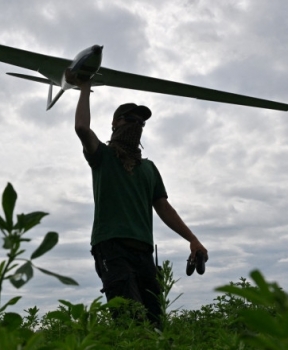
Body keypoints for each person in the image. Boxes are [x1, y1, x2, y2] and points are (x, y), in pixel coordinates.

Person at [69, 72, 208, 328]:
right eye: (130, 119)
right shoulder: (103, 157)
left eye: (141, 122)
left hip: (143, 253)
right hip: (112, 249)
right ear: (114, 124)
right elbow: (81, 128)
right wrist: (85, 87)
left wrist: (193, 239)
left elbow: (164, 208)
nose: (137, 124)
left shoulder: (149, 168)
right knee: (128, 321)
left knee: (155, 323)